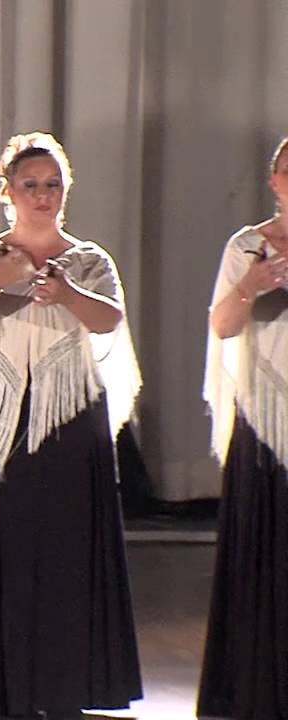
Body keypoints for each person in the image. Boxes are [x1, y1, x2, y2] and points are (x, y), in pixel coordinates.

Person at [0, 132, 143, 719]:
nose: (42, 195)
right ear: (8, 192)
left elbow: (109, 320)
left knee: (66, 547)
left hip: (69, 414)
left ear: (65, 191)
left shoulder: (89, 258)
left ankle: (66, 682)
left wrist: (68, 293)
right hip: (0, 415)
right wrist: (3, 277)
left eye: (52, 185)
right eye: (30, 185)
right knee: (1, 546)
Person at [197, 136, 288, 720]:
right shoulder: (247, 246)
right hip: (265, 415)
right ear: (275, 181)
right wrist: (251, 286)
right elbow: (223, 326)